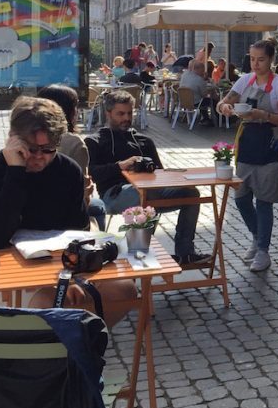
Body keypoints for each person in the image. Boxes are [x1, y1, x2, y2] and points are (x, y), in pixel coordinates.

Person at [0, 97, 136, 327]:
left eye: (48, 150)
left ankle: (79, 351)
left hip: (61, 267)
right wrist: (15, 173)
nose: (38, 158)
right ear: (13, 139)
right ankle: (58, 356)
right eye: (31, 149)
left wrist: (68, 276)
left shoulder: (67, 170)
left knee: (124, 290)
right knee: (50, 301)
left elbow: (77, 231)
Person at [85, 89, 210, 267]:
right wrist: (121, 165)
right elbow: (92, 173)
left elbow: (159, 173)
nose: (126, 118)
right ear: (108, 113)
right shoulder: (95, 141)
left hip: (149, 192)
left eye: (129, 113)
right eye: (120, 114)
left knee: (191, 194)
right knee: (143, 196)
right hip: (114, 195)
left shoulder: (144, 141)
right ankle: (138, 255)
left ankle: (185, 253)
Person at [216, 39, 278, 272]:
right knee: (240, 198)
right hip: (248, 143)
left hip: (271, 145)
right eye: (252, 59)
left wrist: (264, 114)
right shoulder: (244, 80)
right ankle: (257, 237)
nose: (255, 64)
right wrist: (225, 108)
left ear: (271, 60)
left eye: (261, 59)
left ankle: (263, 251)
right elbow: (223, 101)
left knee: (263, 200)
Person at [36, 84, 107, 230]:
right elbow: (82, 195)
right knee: (98, 206)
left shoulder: (24, 136)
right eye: (75, 106)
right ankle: (99, 247)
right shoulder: (74, 143)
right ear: (68, 111)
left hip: (27, 210)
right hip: (63, 216)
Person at [179, 58, 216, 126]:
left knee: (202, 100)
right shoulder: (199, 80)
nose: (203, 72)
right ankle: (213, 119)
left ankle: (205, 118)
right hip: (194, 102)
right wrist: (211, 86)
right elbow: (204, 94)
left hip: (182, 100)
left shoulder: (185, 74)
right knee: (212, 101)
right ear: (198, 69)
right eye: (202, 70)